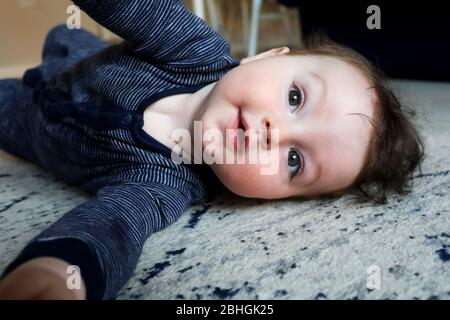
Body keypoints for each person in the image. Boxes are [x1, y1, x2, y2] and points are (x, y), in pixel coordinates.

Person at [0, 0, 424, 300]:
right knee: (69, 41)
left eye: (294, 161)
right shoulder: (193, 50)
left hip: (27, 123)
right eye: (295, 98)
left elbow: (113, 227)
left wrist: (63, 270)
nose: (274, 133)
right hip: (83, 65)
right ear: (262, 57)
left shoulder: (166, 184)